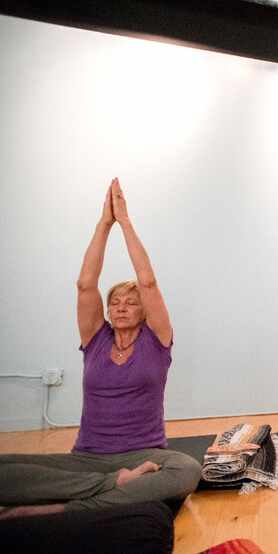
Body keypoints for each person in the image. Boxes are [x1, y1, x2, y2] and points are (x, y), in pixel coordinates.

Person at [0, 179, 201, 520]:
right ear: (107, 311)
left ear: (144, 311)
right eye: (115, 302)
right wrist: (103, 224)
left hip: (145, 456)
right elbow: (85, 285)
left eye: (131, 302)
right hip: (87, 458)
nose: (121, 307)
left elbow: (148, 281)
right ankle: (110, 487)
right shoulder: (96, 340)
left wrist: (124, 222)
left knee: (187, 470)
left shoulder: (157, 341)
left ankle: (64, 507)